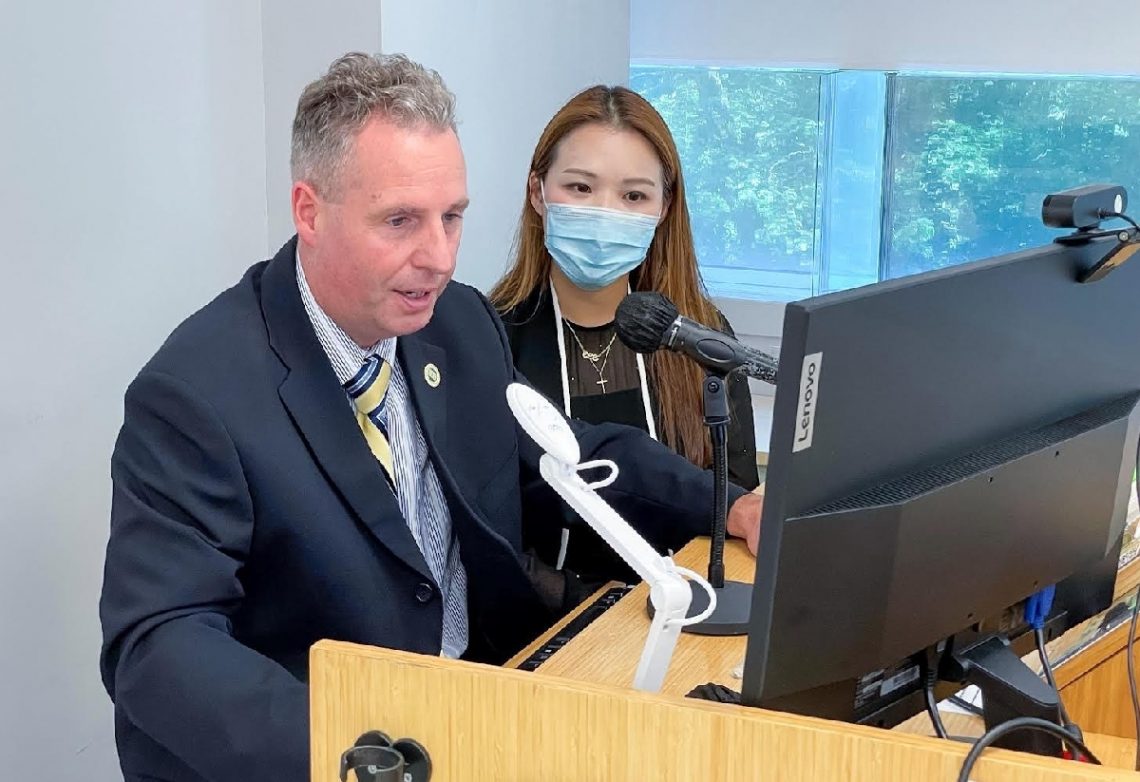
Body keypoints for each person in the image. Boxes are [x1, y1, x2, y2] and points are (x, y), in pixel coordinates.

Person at [98, 53, 761, 782]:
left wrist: (730, 506)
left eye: (452, 218)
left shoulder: (458, 325)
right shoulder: (197, 394)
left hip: (480, 708)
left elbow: (566, 456)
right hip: (339, 750)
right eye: (401, 222)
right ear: (309, 211)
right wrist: (355, 759)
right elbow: (159, 642)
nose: (440, 257)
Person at [490, 85, 760, 587]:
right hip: (545, 632)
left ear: (663, 208)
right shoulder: (490, 339)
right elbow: (492, 545)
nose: (605, 213)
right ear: (537, 193)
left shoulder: (700, 338)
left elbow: (740, 507)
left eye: (633, 195)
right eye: (580, 188)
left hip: (686, 612)